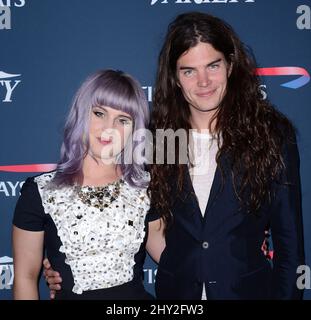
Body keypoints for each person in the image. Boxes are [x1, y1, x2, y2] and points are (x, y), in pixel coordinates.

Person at [44, 11, 305, 300]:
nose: (203, 82)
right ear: (175, 77)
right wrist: (62, 262)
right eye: (189, 71)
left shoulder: (269, 134)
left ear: (230, 65)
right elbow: (107, 205)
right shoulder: (156, 139)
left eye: (213, 66)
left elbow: (289, 241)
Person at [12, 69, 163, 300]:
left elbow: (174, 259)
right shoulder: (41, 191)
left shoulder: (146, 188)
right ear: (82, 114)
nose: (108, 128)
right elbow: (24, 278)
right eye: (99, 113)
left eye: (123, 120)